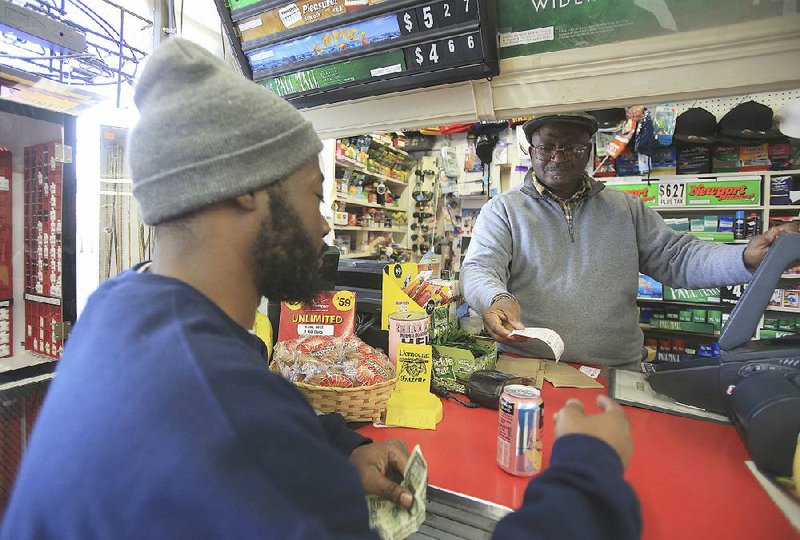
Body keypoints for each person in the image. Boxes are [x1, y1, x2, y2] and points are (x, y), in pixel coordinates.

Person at [0, 39, 640, 539]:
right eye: (313, 195)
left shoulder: (117, 312)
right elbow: (244, 428)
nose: (326, 224)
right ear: (246, 189)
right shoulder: (231, 421)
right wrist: (586, 471)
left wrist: (335, 449)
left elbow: (256, 406)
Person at [460, 113, 800, 368]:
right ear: (531, 150)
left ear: (589, 151)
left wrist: (745, 258)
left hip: (616, 371)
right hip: (528, 369)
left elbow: (677, 258)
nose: (559, 157)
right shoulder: (503, 210)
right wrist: (495, 297)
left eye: (572, 147)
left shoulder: (625, 208)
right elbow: (479, 267)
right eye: (547, 147)